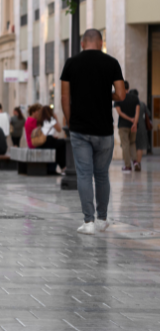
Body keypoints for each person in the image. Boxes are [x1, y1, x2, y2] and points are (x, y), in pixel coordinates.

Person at [61, 28, 126, 235]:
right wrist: (107, 96)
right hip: (104, 129)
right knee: (101, 175)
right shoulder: (111, 63)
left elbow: (64, 97)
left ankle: (88, 221)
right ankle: (102, 219)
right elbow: (122, 94)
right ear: (100, 43)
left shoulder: (71, 63)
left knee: (84, 174)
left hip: (80, 128)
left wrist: (71, 122)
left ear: (82, 44)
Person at [115, 81, 140, 173]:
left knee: (125, 145)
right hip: (133, 126)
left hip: (123, 126)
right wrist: (135, 122)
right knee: (132, 143)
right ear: (128, 88)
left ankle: (127, 166)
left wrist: (129, 119)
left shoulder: (119, 99)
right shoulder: (135, 98)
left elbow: (119, 112)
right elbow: (137, 111)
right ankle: (135, 162)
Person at [38, 105, 67, 174]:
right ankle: (63, 166)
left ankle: (61, 166)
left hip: (43, 141)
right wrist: (56, 118)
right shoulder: (51, 119)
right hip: (49, 140)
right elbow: (59, 129)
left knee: (58, 148)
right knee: (64, 143)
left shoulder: (40, 120)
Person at [130, 89, 151, 171]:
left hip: (131, 127)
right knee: (140, 146)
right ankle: (138, 163)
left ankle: (134, 163)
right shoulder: (142, 104)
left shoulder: (130, 104)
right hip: (141, 128)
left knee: (132, 145)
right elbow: (148, 114)